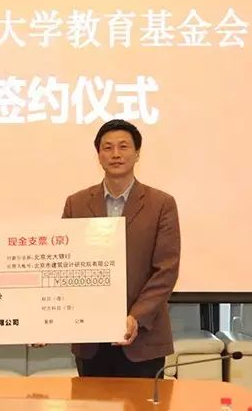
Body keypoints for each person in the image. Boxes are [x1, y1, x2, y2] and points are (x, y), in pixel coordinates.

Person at [62, 119, 181, 378]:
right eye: (108, 148)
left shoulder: (161, 204)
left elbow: (166, 270)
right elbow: (65, 265)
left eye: (124, 146)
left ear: (137, 153)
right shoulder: (76, 204)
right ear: (98, 155)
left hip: (144, 339)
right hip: (90, 338)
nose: (115, 154)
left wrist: (135, 317)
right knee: (90, 401)